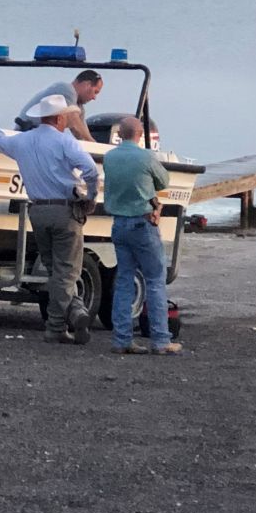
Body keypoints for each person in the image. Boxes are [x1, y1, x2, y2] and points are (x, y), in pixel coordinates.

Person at [0, 95, 100, 344]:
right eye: (67, 116)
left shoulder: (22, 141)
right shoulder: (64, 141)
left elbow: (0, 141)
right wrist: (91, 197)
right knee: (67, 271)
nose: (68, 120)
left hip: (37, 211)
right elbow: (91, 170)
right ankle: (56, 325)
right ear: (59, 118)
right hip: (65, 210)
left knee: (54, 270)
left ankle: (77, 311)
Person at [103, 115, 182, 355]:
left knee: (124, 280)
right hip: (143, 223)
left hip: (119, 224)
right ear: (139, 135)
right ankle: (160, 340)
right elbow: (164, 181)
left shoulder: (109, 157)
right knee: (155, 280)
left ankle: (122, 339)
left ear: (119, 134)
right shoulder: (146, 157)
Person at [15, 70, 104, 141]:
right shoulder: (66, 89)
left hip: (39, 138)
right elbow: (75, 123)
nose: (94, 97)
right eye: (95, 92)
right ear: (87, 85)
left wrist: (90, 143)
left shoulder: (78, 106)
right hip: (26, 134)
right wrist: (94, 145)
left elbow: (81, 134)